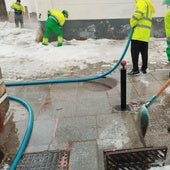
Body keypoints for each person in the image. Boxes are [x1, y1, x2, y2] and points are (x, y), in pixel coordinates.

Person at [128, 0, 155, 75]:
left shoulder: (141, 2)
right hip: (145, 33)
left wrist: (132, 22)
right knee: (144, 52)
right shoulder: (148, 4)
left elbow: (138, 14)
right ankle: (144, 68)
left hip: (138, 33)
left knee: (134, 52)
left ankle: (135, 69)